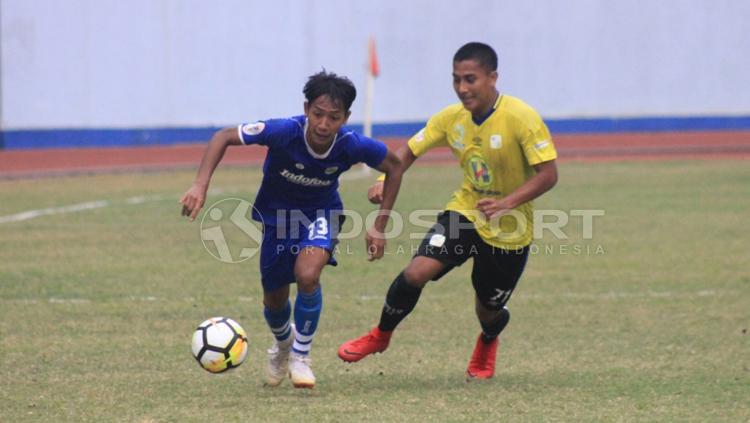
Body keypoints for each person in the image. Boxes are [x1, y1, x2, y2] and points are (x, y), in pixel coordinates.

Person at [337, 42, 558, 380]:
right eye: (456, 80)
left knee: (488, 309)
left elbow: (549, 174)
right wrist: (384, 179)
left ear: (492, 77)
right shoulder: (450, 119)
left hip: (510, 228)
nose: (462, 88)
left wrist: (506, 203)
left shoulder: (521, 118)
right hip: (465, 212)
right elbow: (409, 151)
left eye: (470, 79)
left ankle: (488, 339)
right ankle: (380, 335)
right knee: (415, 273)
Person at [180, 71, 403, 389]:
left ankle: (301, 355)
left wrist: (380, 226)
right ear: (306, 108)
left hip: (322, 213)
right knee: (274, 299)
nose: (324, 124)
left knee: (308, 273)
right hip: (277, 219)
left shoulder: (351, 144)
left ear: (346, 118)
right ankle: (283, 346)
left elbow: (394, 166)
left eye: (334, 117)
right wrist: (200, 185)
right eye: (318, 114)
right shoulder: (284, 131)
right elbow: (224, 136)